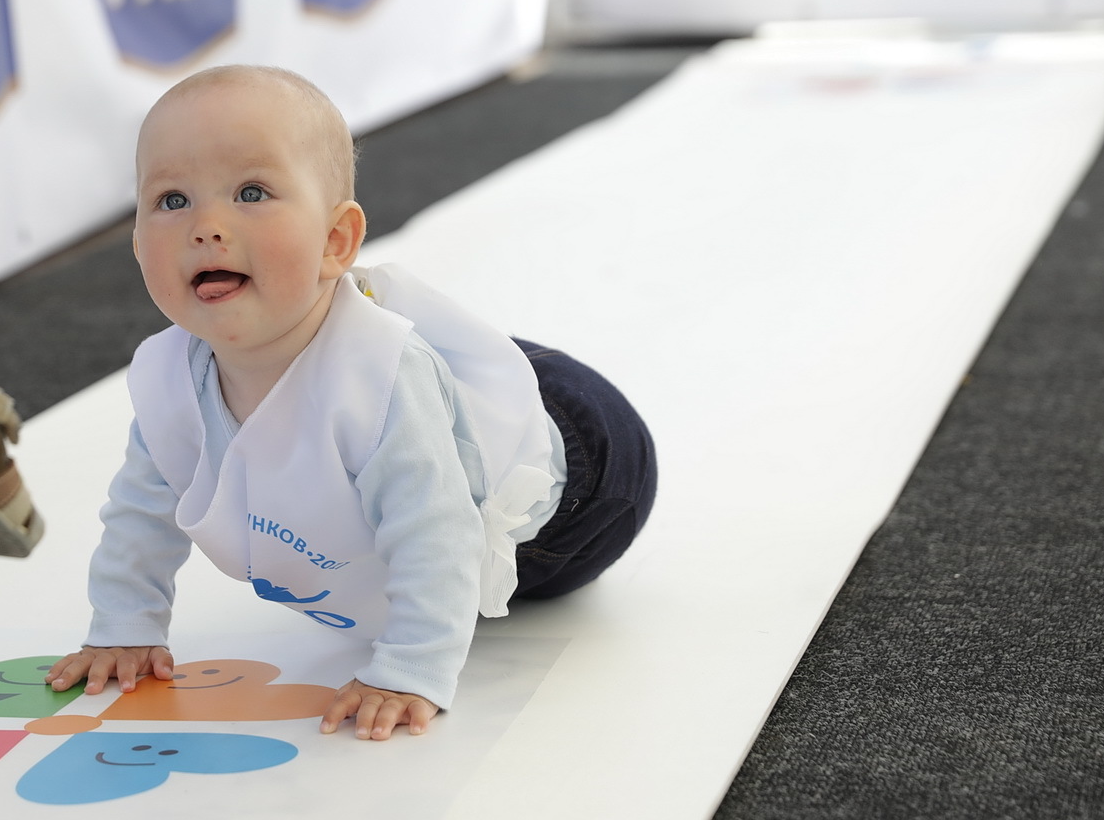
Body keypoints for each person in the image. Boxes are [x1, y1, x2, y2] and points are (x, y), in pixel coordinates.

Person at [45, 66, 656, 740]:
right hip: (425, 397)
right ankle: (447, 374)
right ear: (136, 246)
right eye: (170, 200)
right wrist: (125, 626)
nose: (206, 225)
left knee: (425, 410)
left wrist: (410, 668)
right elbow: (141, 513)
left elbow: (437, 529)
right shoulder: (171, 382)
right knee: (418, 395)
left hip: (580, 486)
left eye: (251, 192)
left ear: (336, 241)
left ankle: (461, 377)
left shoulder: (374, 379)